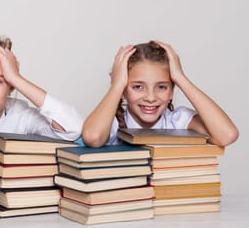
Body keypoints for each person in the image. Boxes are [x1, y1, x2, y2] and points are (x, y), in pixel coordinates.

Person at [81, 40, 238, 148]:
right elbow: (93, 137)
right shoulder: (111, 124)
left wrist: (180, 78)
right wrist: (116, 85)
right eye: (137, 87)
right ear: (123, 90)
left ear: (172, 91)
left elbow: (227, 135)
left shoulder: (178, 122)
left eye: (162, 87)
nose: (150, 98)